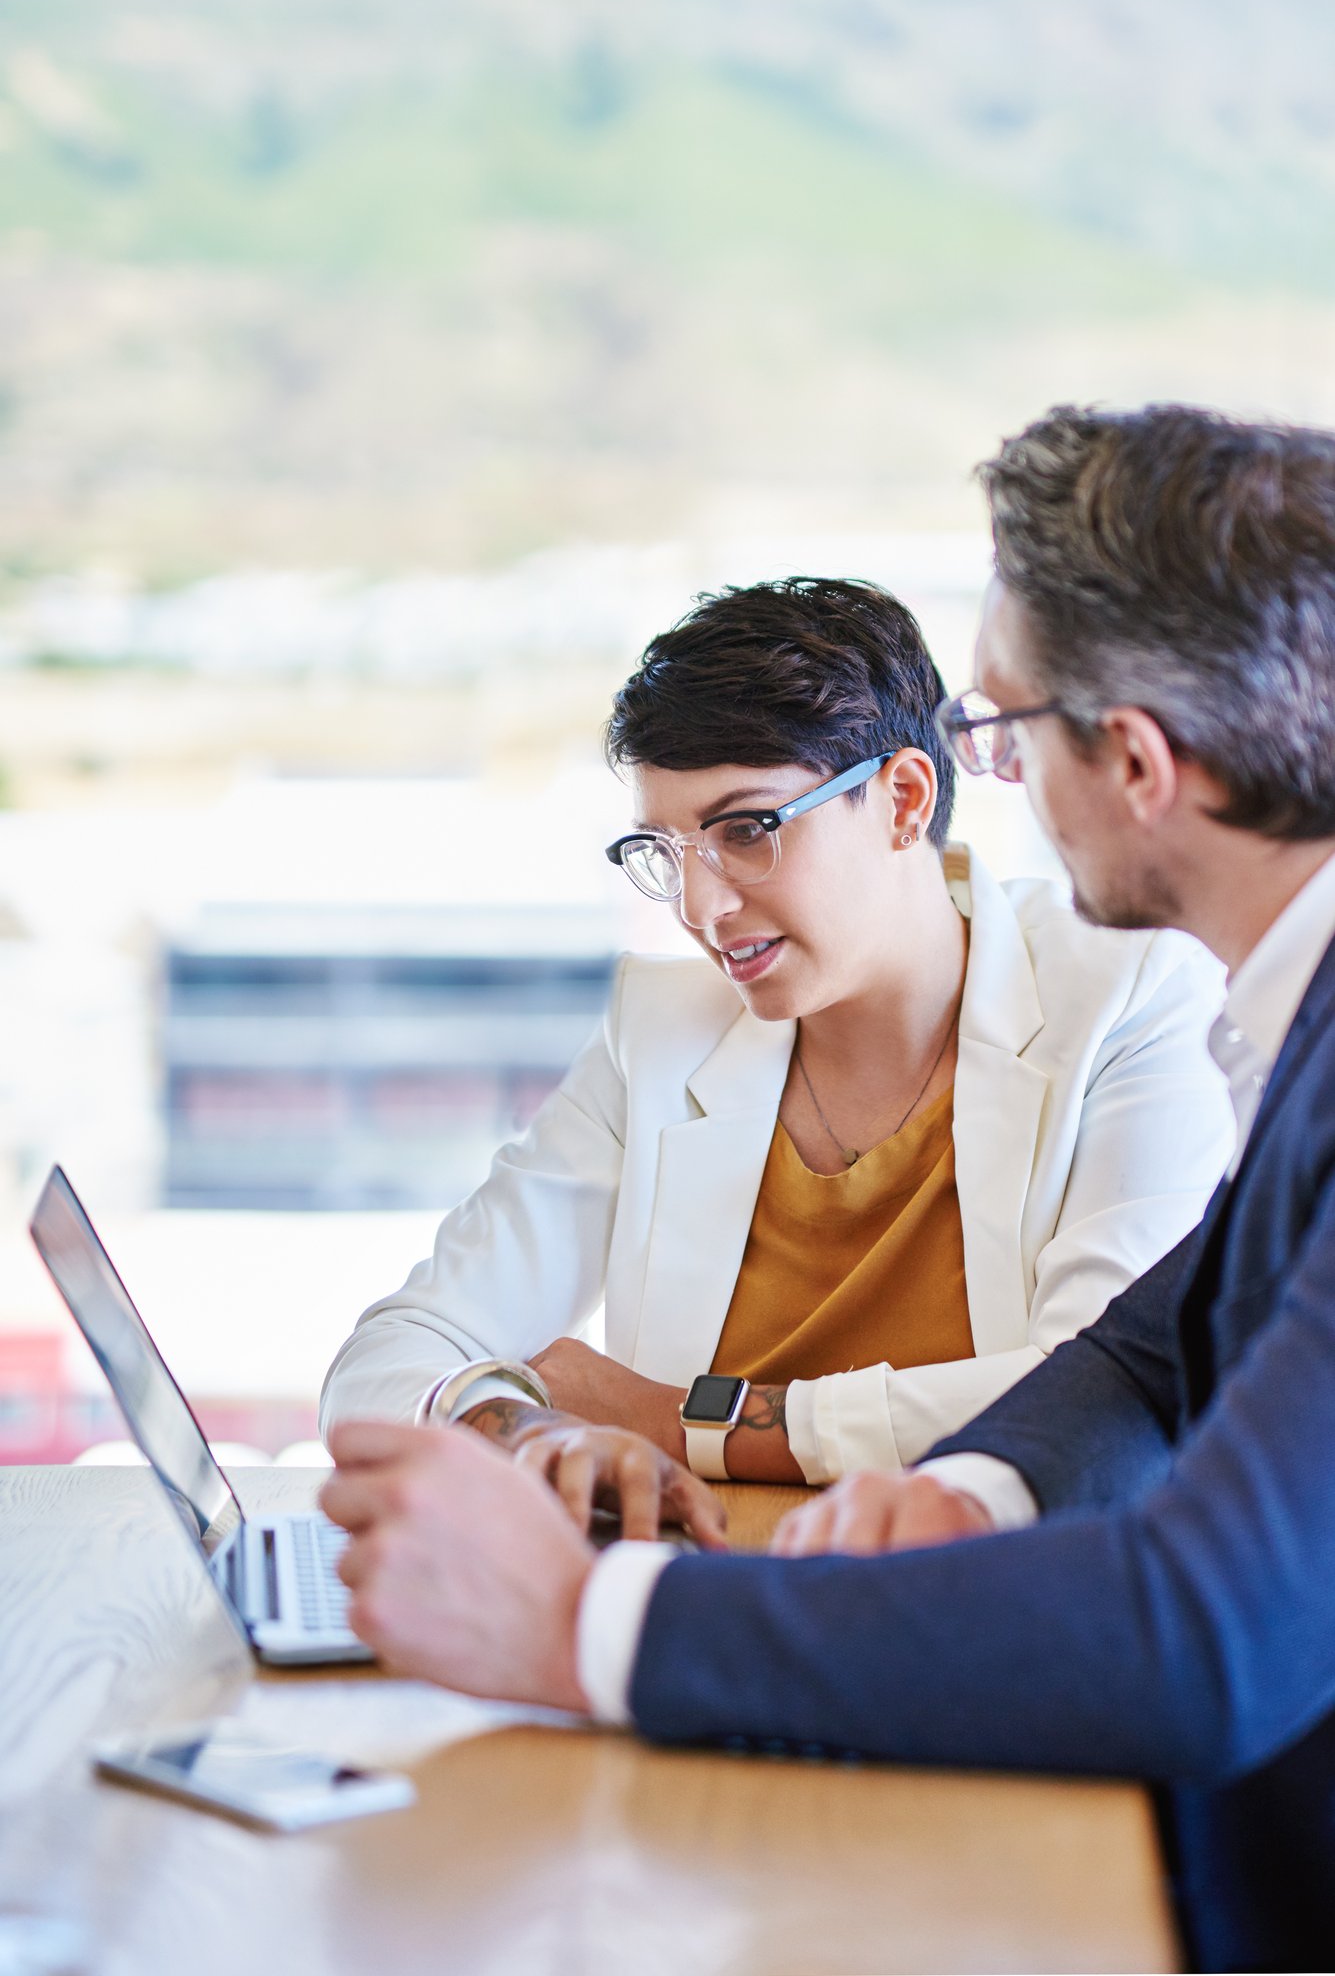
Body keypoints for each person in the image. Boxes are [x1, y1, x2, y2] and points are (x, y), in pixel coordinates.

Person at [323, 404, 1335, 1972]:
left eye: (1004, 730)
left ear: (1129, 761)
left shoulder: (1192, 1016)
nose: (988, 767)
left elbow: (1196, 1630)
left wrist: (584, 1627)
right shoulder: (1293, 1021)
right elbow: (1146, 1349)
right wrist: (964, 1488)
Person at [320, 575, 1229, 1541]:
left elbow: (1104, 1390)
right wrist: (517, 1427)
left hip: (975, 1618)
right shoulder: (660, 1031)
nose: (700, 910)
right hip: (679, 1617)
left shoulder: (1129, 995)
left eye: (746, 831)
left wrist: (682, 1422)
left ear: (903, 800)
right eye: (667, 848)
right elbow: (391, 1355)